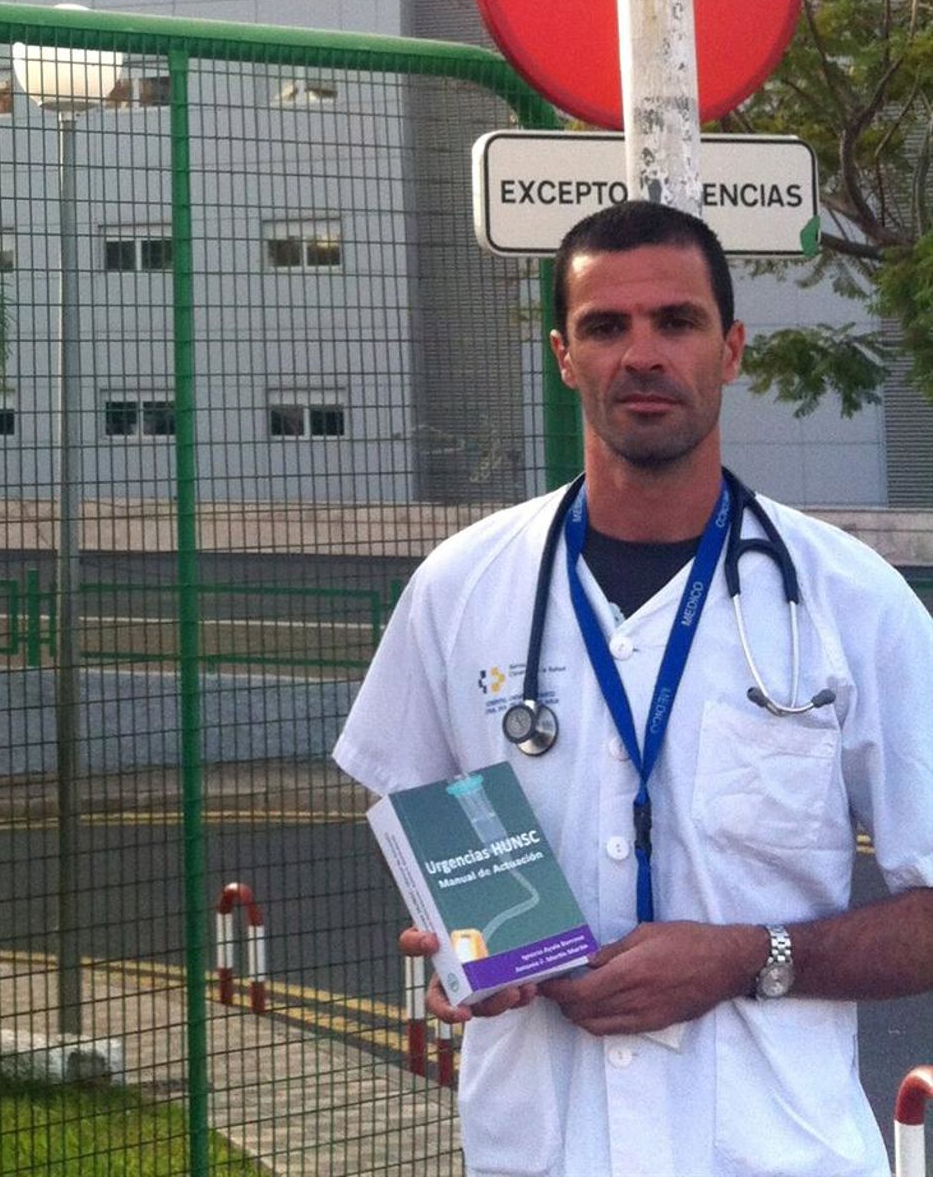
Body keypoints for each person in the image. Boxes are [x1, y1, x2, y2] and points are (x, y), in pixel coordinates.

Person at [333, 200, 933, 1177]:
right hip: (541, 1151)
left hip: (776, 1155)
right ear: (564, 357)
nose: (642, 354)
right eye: (606, 326)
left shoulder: (853, 603)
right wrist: (462, 951)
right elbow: (429, 834)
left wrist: (748, 957)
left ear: (731, 349)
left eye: (677, 321)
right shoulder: (460, 591)